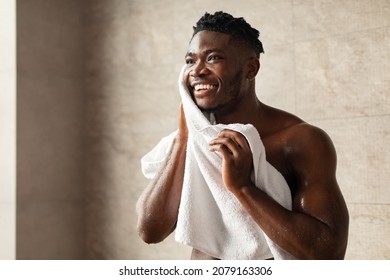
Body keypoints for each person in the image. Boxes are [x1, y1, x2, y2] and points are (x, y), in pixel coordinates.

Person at [136, 11, 349, 260]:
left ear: (250, 68)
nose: (197, 71)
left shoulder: (300, 141)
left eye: (213, 58)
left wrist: (244, 188)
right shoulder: (189, 140)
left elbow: (327, 253)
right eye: (190, 61)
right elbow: (149, 231)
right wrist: (185, 137)